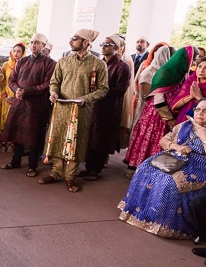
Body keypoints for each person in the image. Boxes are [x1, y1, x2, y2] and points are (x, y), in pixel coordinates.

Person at [119, 98, 206, 240]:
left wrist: (205, 138)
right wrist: (177, 147)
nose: (200, 113)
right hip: (177, 158)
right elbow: (163, 141)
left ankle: (165, 225)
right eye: (198, 109)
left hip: (203, 168)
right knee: (144, 169)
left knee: (169, 182)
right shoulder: (186, 125)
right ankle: (141, 215)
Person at [40, 28, 109, 192]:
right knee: (57, 138)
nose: (70, 41)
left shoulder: (98, 64)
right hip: (61, 107)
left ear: (86, 43)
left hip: (81, 110)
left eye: (74, 39)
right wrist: (53, 93)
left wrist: (86, 98)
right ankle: (56, 173)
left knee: (76, 143)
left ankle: (70, 177)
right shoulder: (63, 61)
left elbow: (103, 89)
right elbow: (54, 82)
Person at [124, 45, 193, 172]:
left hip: (164, 112)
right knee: (152, 138)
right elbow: (158, 99)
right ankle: (141, 168)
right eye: (193, 59)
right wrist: (169, 119)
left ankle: (149, 169)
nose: (194, 63)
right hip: (157, 114)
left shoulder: (178, 73)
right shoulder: (165, 73)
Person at [0, 35, 54, 175]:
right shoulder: (22, 61)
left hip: (36, 106)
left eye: (37, 43)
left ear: (43, 45)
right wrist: (17, 90)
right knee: (17, 133)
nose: (33, 45)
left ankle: (32, 166)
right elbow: (12, 79)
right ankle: (15, 161)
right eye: (32, 42)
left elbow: (47, 84)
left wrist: (27, 91)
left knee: (34, 136)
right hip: (19, 103)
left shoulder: (49, 63)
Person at [83, 34, 131, 180]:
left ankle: (96, 170)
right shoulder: (98, 63)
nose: (103, 46)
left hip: (109, 108)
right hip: (94, 106)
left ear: (116, 48)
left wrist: (101, 91)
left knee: (102, 138)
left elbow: (121, 90)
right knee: (91, 136)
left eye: (107, 44)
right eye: (102, 44)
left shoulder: (122, 66)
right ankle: (88, 167)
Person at [0, 41, 26, 145]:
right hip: (7, 97)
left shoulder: (26, 65)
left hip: (19, 98)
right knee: (5, 119)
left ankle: (12, 143)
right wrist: (5, 96)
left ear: (23, 53)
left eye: (19, 51)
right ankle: (3, 142)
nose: (16, 53)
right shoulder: (6, 65)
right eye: (14, 51)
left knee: (16, 120)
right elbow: (2, 82)